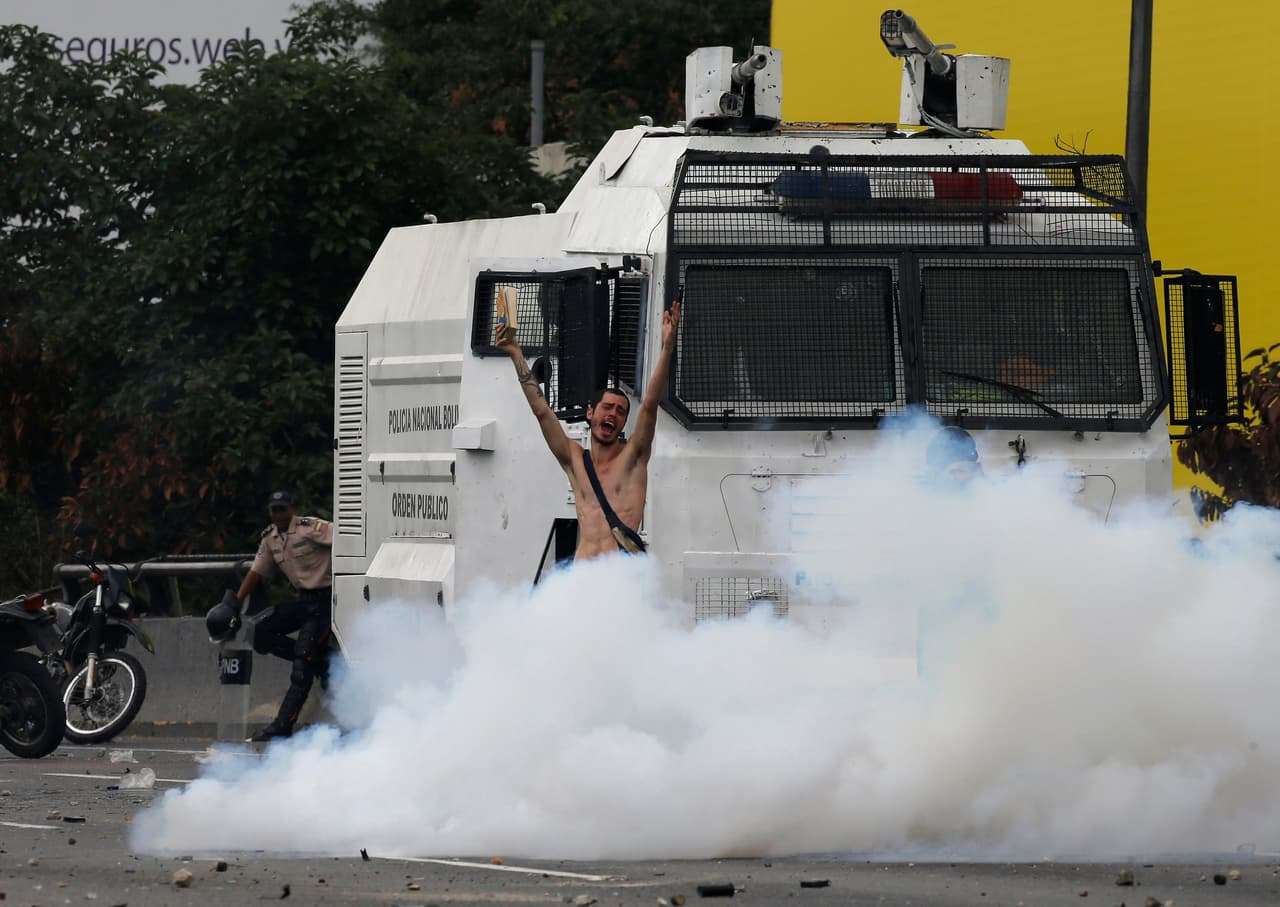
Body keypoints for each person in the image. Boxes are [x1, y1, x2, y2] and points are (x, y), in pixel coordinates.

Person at [496, 301, 682, 561]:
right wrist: (516, 353)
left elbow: (650, 405)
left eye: (620, 412)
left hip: (619, 579)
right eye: (607, 407)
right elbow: (542, 412)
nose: (613, 414)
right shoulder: (574, 459)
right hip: (582, 581)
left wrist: (668, 348)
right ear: (590, 413)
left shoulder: (633, 458)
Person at [234, 490, 333, 742]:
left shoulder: (310, 528)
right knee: (258, 631)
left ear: (292, 509)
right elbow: (256, 571)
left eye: (282, 509)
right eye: (274, 510)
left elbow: (349, 541)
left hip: (328, 601)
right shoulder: (271, 538)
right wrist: (235, 604)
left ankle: (282, 725)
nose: (278, 514)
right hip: (304, 602)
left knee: (301, 669)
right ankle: (320, 661)